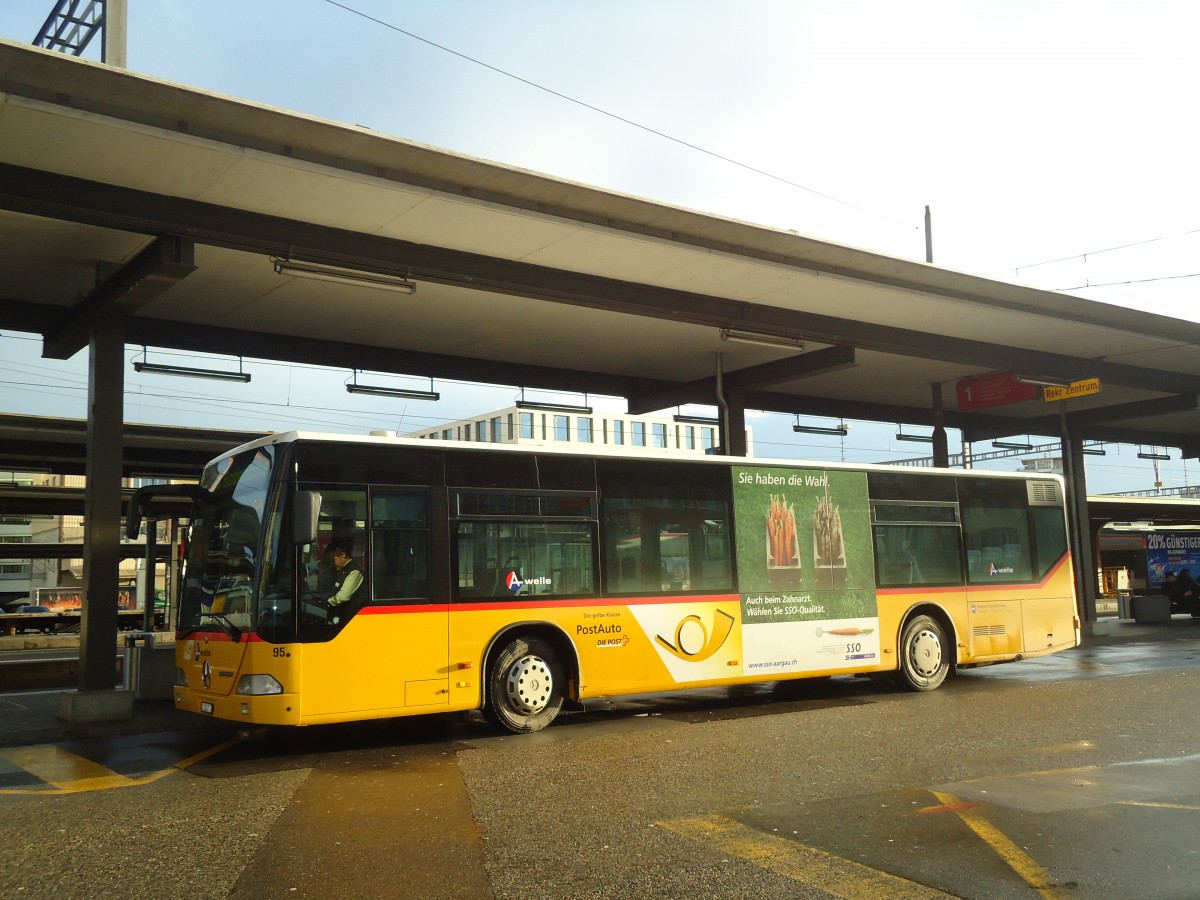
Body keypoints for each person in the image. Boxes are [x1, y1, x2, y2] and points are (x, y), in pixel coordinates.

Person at [325, 543, 364, 613]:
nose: (331, 564)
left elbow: (343, 597)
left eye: (332, 561)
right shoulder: (342, 570)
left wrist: (327, 603)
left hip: (350, 614)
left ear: (343, 555)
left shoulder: (354, 571)